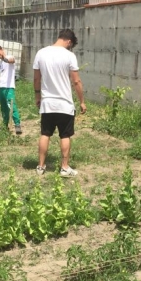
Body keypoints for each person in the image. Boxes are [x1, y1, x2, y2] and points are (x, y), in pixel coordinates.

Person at [33, 28, 86, 177]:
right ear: (69, 41)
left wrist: (38, 97)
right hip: (64, 104)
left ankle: (41, 167)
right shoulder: (69, 56)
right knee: (65, 135)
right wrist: (82, 101)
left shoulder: (41, 53)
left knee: (45, 134)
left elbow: (37, 79)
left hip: (47, 104)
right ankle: (64, 168)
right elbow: (76, 81)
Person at [0, 44, 22, 135]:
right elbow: (2, 76)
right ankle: (5, 125)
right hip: (1, 87)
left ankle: (17, 124)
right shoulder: (0, 64)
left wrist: (4, 58)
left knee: (11, 104)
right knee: (3, 107)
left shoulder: (9, 57)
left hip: (9, 87)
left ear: (2, 50)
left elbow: (11, 61)